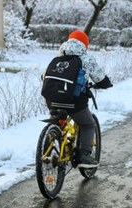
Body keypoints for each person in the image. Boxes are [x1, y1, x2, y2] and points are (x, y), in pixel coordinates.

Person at [43, 30, 112, 168]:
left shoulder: (58, 57)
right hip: (74, 102)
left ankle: (49, 143)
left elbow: (44, 76)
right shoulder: (86, 58)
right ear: (85, 44)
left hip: (51, 100)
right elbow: (99, 77)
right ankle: (84, 156)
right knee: (87, 124)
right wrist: (105, 84)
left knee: (59, 120)